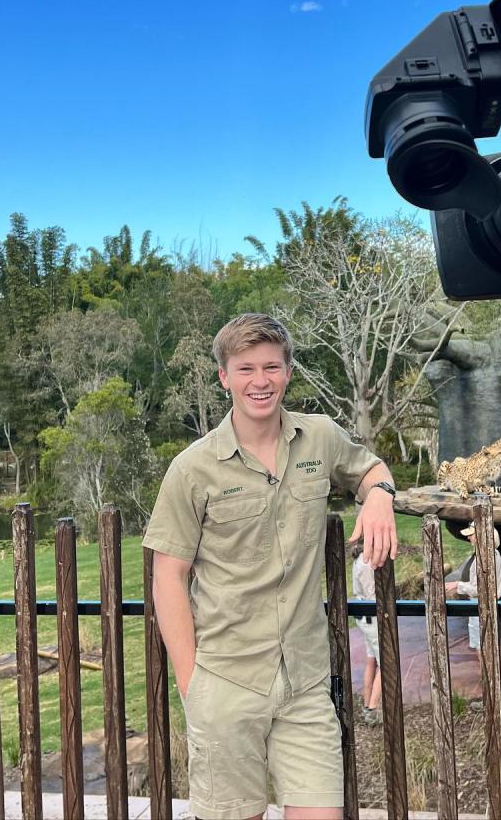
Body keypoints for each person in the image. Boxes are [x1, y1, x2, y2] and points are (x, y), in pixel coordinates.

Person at [143, 313, 398, 820]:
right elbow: (167, 576)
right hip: (227, 682)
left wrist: (380, 497)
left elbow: (370, 467)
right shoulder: (192, 469)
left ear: (287, 371)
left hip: (304, 683)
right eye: (245, 369)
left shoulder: (320, 437)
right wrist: (194, 686)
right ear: (224, 376)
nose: (260, 381)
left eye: (271, 367)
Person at [444, 524, 501, 653]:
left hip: (482, 607)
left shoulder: (487, 558)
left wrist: (458, 585)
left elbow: (483, 590)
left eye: (471, 535)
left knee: (482, 648)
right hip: (480, 607)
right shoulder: (489, 555)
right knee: (482, 646)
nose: (469, 538)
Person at [350, 541, 381, 723]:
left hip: (364, 617)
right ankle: (373, 708)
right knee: (386, 663)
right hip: (372, 617)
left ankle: (368, 702)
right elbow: (372, 594)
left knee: (372, 660)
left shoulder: (359, 559)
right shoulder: (368, 562)